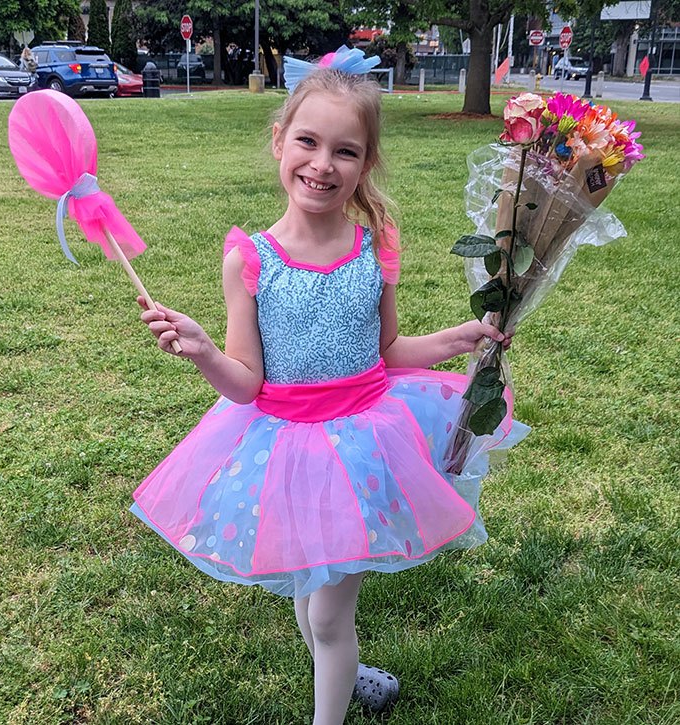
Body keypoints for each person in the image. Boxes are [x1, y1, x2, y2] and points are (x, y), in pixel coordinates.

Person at [132, 46, 523, 724]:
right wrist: (200, 350)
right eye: (307, 141)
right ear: (279, 139)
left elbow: (388, 350)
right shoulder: (248, 258)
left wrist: (458, 338)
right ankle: (340, 674)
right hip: (283, 444)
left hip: (364, 439)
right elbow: (246, 382)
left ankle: (332, 697)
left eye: (345, 151)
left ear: (365, 163)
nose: (322, 164)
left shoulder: (376, 241)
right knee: (305, 576)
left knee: (329, 610)